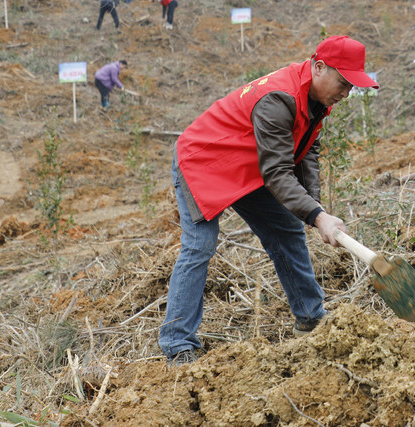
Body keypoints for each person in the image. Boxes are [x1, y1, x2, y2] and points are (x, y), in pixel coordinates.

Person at [159, 35, 379, 365]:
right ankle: (177, 343)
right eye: (344, 83)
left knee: (287, 230)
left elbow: (306, 154)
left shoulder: (316, 99)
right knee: (199, 245)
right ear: (319, 68)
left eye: (352, 86)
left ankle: (310, 315)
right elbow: (277, 172)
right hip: (205, 161)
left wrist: (315, 210)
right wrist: (317, 216)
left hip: (250, 165)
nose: (347, 93)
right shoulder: (280, 98)